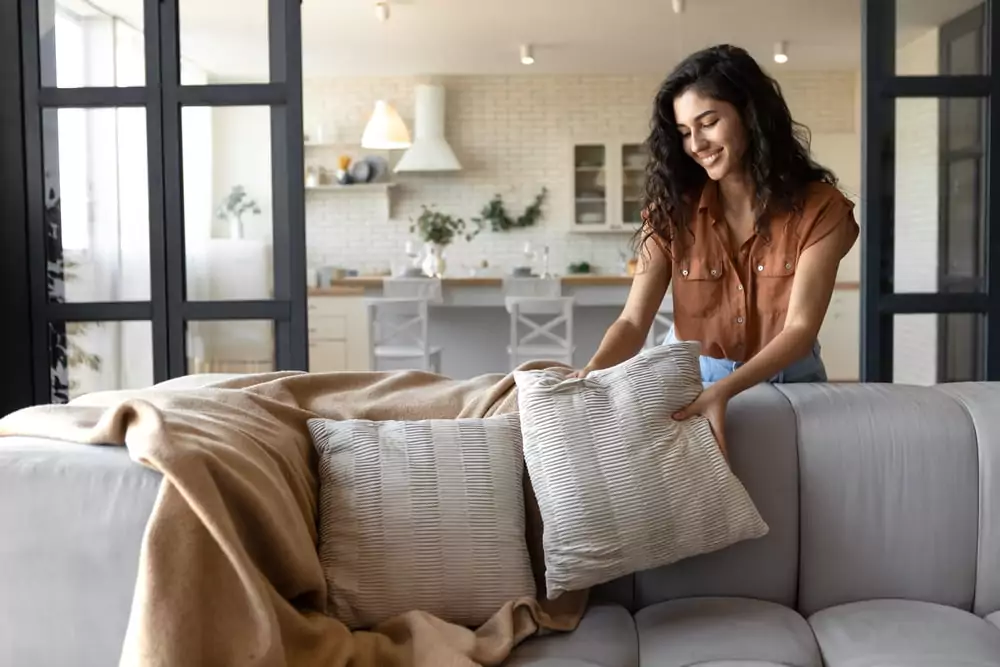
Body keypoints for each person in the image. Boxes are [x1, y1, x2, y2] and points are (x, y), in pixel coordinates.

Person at [572, 44, 859, 456]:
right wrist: (591, 373)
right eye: (685, 132)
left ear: (751, 115)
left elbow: (799, 329)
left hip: (791, 384)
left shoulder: (821, 208)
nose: (696, 144)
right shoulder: (672, 211)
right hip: (696, 380)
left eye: (708, 123)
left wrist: (723, 392)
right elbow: (634, 322)